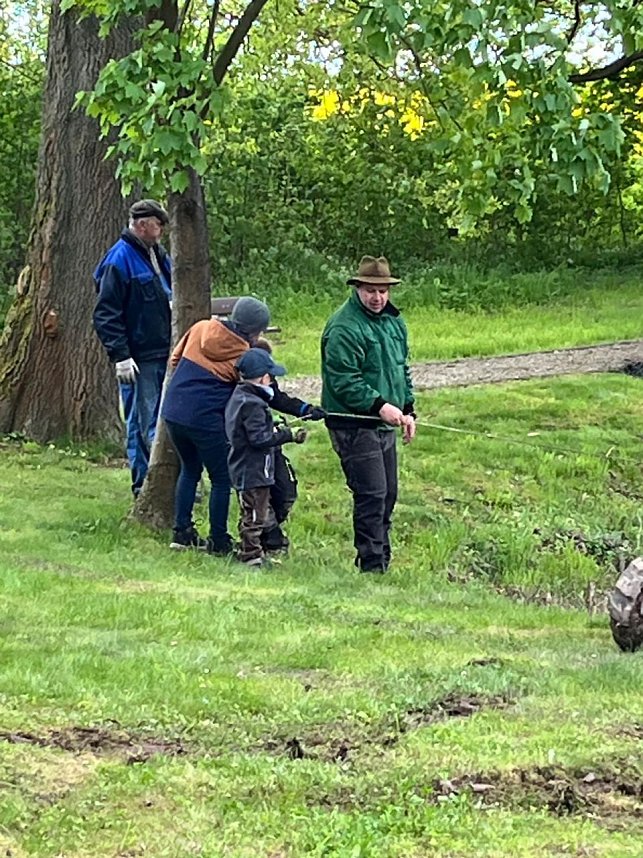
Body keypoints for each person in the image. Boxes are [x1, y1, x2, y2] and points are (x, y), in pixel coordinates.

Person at [321, 255, 416, 573]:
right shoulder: (344, 327)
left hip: (384, 421)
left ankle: (382, 559)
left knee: (388, 493)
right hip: (353, 423)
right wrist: (380, 406)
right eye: (370, 291)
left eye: (383, 291)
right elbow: (343, 380)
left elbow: (402, 369)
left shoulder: (394, 322)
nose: (377, 298)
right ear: (358, 288)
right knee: (372, 493)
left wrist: (407, 408)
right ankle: (371, 563)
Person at [161, 297, 271, 554]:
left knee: (189, 470)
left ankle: (182, 533)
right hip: (206, 418)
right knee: (222, 479)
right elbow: (249, 390)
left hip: (174, 410)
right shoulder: (245, 355)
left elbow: (174, 361)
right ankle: (219, 541)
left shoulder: (200, 328)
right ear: (255, 331)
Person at [93, 199, 172, 496]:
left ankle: (167, 482)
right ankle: (144, 486)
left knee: (164, 420)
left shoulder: (157, 254)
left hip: (164, 349)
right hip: (140, 355)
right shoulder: (119, 260)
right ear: (141, 225)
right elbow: (106, 313)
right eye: (157, 224)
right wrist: (121, 355)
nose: (161, 230)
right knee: (142, 422)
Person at [225, 348, 307, 567]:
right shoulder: (253, 404)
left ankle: (258, 550)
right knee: (254, 516)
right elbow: (259, 438)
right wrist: (287, 435)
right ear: (263, 378)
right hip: (253, 470)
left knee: (256, 511)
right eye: (270, 377)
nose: (272, 382)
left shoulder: (241, 397)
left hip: (250, 467)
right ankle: (250, 556)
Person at [254, 337, 325, 554]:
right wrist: (284, 432)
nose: (271, 379)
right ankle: (268, 541)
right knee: (258, 497)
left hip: (272, 445)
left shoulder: (265, 384)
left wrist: (306, 409)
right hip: (253, 454)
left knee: (286, 493)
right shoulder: (242, 397)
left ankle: (268, 534)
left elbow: (278, 398)